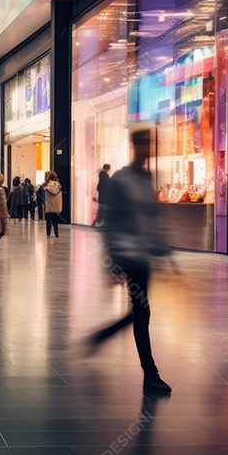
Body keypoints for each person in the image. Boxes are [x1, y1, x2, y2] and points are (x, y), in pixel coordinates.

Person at [89, 129, 171, 394]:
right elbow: (110, 221)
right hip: (128, 256)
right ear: (135, 145)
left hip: (143, 255)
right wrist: (112, 262)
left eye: (151, 143)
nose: (148, 148)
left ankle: (103, 336)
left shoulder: (146, 178)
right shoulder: (121, 179)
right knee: (142, 312)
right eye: (144, 143)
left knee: (139, 311)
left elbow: (150, 217)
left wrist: (162, 250)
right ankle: (151, 373)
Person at [42, 171, 63, 238]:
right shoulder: (58, 186)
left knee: (48, 221)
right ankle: (56, 233)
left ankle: (48, 234)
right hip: (56, 206)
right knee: (55, 221)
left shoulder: (47, 186)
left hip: (49, 206)